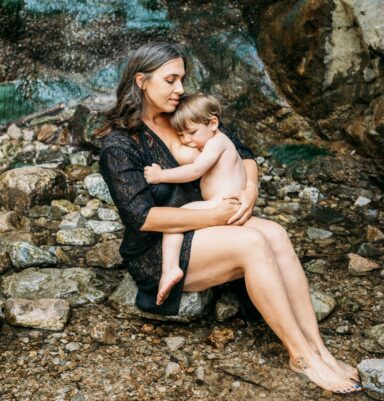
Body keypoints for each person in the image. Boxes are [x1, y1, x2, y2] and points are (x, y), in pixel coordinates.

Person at [97, 42, 361, 394]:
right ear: (142, 81)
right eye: (171, 80)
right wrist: (215, 216)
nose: (180, 89)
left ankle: (319, 348)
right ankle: (301, 357)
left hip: (209, 220)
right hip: (159, 246)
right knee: (253, 243)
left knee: (278, 234)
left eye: (182, 80)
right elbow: (142, 218)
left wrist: (249, 190)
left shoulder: (184, 113)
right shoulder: (120, 143)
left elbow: (241, 149)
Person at [143, 93, 248, 306]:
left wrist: (161, 175)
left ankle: (170, 267)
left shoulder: (217, 143)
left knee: (176, 220)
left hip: (223, 202)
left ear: (213, 123)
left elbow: (195, 169)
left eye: (191, 133)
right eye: (181, 135)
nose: (187, 140)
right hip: (226, 202)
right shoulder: (216, 140)